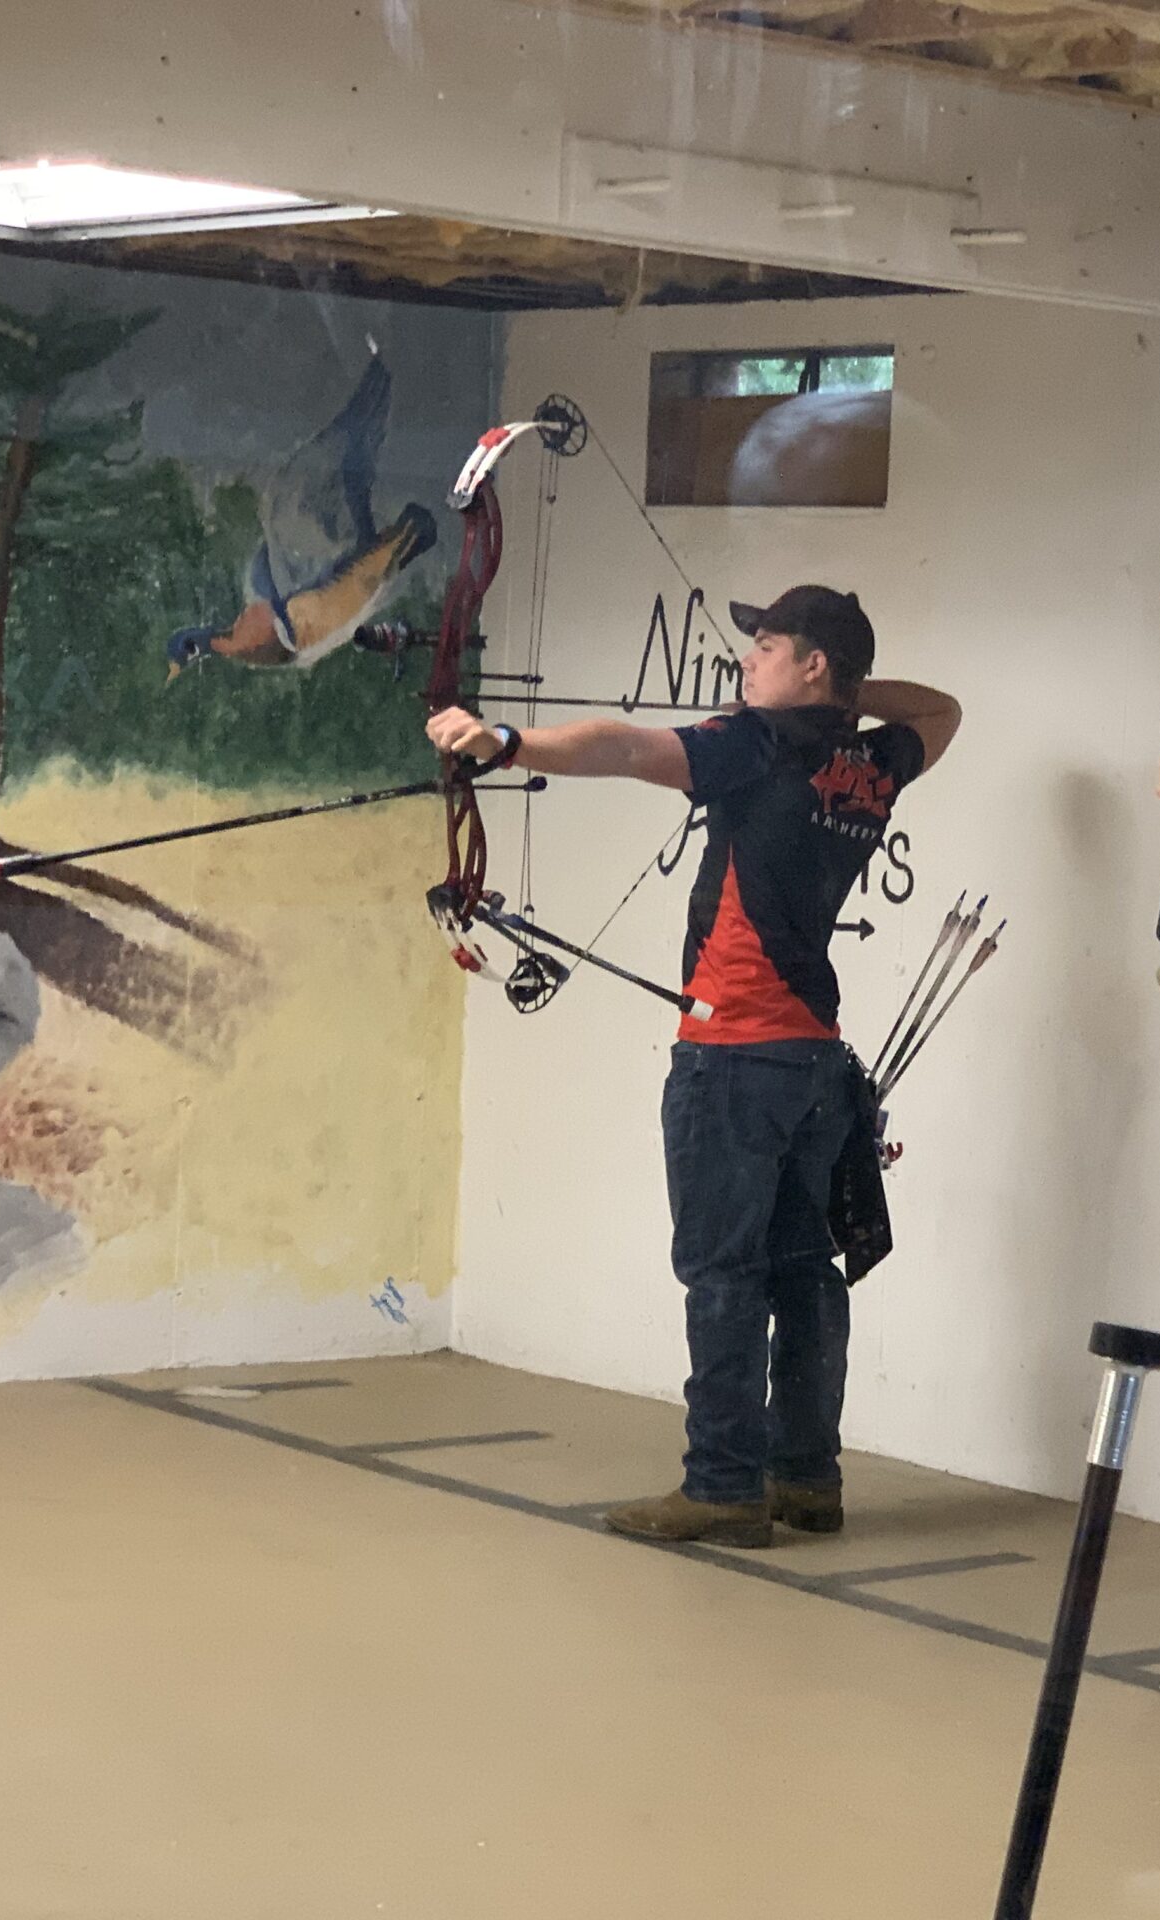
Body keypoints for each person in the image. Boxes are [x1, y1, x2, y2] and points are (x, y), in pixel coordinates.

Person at [428, 585, 960, 1548]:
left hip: (733, 1057)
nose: (745, 660)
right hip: (813, 1060)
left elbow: (624, 748)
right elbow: (940, 712)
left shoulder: (756, 745)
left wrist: (504, 744)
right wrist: (841, 697)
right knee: (805, 1273)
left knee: (723, 1274)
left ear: (807, 665)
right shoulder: (870, 758)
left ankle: (721, 1484)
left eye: (767, 646)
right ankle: (806, 1479)